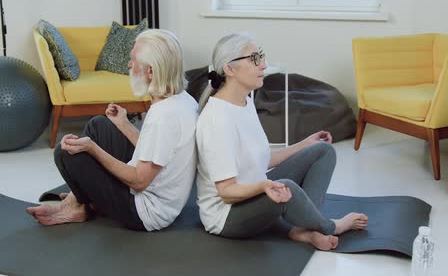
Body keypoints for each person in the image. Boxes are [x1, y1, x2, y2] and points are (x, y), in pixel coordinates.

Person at [195, 33, 368, 250]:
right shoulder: (216, 120)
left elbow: (262, 160)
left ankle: (305, 229)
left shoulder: (245, 101)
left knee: (323, 150)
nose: (264, 65)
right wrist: (264, 186)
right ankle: (330, 227)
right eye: (254, 59)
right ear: (230, 69)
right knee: (287, 187)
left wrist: (306, 144)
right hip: (228, 217)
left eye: (261, 56)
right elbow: (227, 192)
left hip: (254, 193)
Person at [27, 29, 199, 231]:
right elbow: (161, 151)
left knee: (66, 153)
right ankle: (79, 200)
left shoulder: (163, 116)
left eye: (133, 60)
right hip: (165, 197)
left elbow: (139, 181)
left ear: (151, 71)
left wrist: (92, 148)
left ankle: (77, 206)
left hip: (145, 212)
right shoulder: (182, 100)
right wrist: (124, 123)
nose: (129, 65)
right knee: (99, 125)